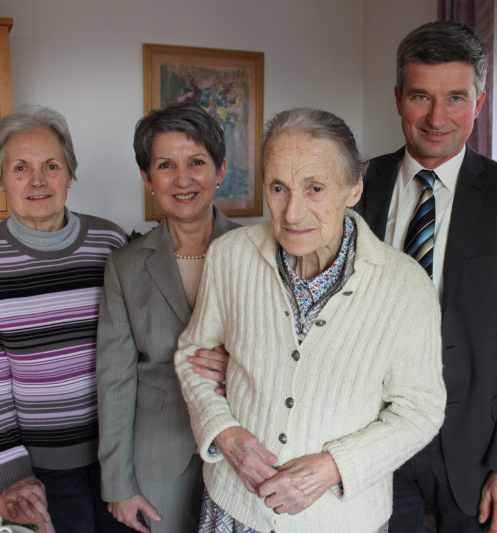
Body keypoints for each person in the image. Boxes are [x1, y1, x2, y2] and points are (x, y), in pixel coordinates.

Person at [174, 107, 446, 532]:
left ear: (354, 187)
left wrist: (331, 468)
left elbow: (421, 410)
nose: (292, 213)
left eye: (314, 188)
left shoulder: (406, 286)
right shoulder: (231, 256)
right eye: (278, 188)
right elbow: (193, 357)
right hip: (235, 507)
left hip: (340, 519)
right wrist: (226, 435)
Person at [355, 21, 497, 532]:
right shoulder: (354, 186)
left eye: (455, 98)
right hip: (367, 436)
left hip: (471, 446)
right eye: (421, 96)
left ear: (479, 102)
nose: (436, 117)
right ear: (398, 97)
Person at [0, 106, 133, 533]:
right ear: (0, 178)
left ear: (70, 174)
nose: (38, 179)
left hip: (121, 453)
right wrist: (13, 474)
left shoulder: (110, 241)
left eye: (51, 165)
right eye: (21, 167)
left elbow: (134, 348)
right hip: (43, 468)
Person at [97, 102, 239, 533]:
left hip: (244, 445)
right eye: (165, 165)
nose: (183, 180)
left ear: (220, 170)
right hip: (160, 455)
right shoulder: (124, 266)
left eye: (197, 162)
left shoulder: (257, 250)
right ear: (147, 178)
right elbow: (115, 379)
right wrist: (118, 483)